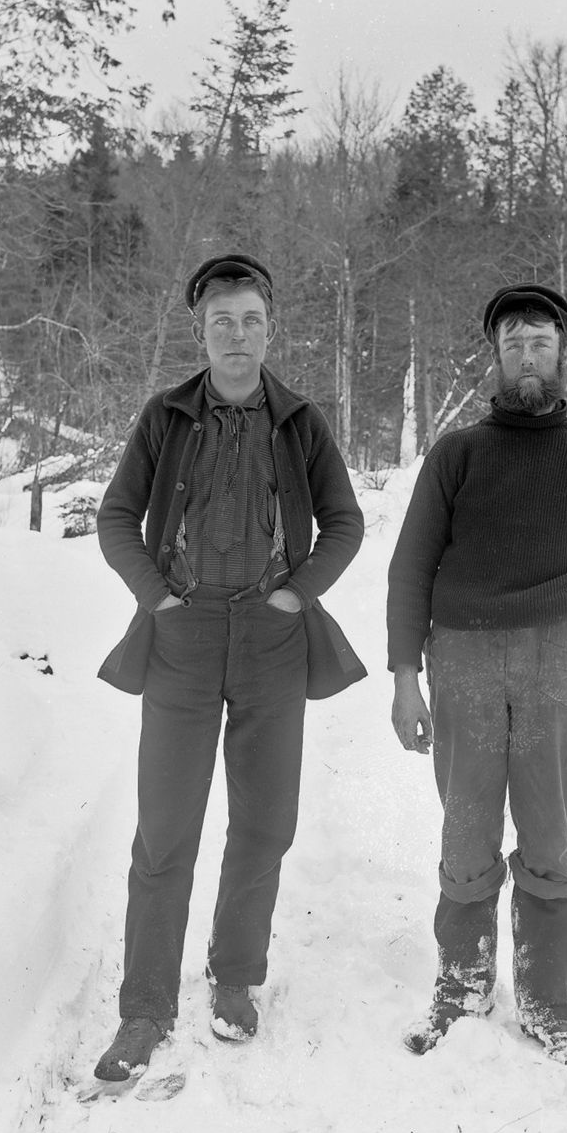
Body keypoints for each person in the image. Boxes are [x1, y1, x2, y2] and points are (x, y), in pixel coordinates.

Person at [387, 283, 567, 1066]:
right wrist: (404, 675)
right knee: (467, 829)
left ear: (560, 353)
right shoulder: (458, 454)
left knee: (549, 837)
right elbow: (411, 568)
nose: (525, 354)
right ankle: (461, 988)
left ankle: (548, 1005)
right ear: (496, 356)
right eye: (512, 342)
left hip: (556, 665)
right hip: (465, 662)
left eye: (539, 341)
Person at [93, 253, 364, 1080]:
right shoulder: (165, 417)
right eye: (222, 322)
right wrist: (158, 600)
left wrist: (295, 597)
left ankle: (236, 975)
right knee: (166, 830)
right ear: (201, 331)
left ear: (270, 326)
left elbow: (345, 523)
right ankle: (143, 1008)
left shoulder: (302, 421)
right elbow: (115, 518)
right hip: (181, 638)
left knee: (265, 822)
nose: (237, 334)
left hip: (273, 641)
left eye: (251, 320)